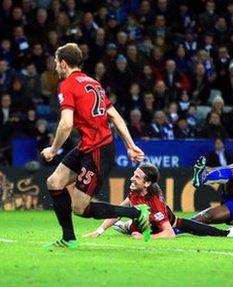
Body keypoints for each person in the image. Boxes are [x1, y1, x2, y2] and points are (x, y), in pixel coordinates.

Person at [40, 43, 151, 250]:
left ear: (63, 63)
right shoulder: (93, 82)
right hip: (89, 145)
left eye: (56, 63)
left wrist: (53, 149)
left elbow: (66, 124)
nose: (55, 68)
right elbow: (115, 116)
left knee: (80, 208)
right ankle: (69, 238)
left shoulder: (67, 85)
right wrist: (130, 145)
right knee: (54, 182)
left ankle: (136, 212)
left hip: (99, 150)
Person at [85, 164, 233, 240]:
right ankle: (127, 226)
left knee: (193, 227)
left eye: (137, 177)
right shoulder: (135, 189)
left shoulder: (156, 204)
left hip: (168, 224)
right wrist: (99, 231)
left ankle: (229, 233)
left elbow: (170, 233)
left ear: (147, 184)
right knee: (132, 220)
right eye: (134, 174)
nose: (132, 178)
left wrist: (145, 238)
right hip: (143, 222)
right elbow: (118, 210)